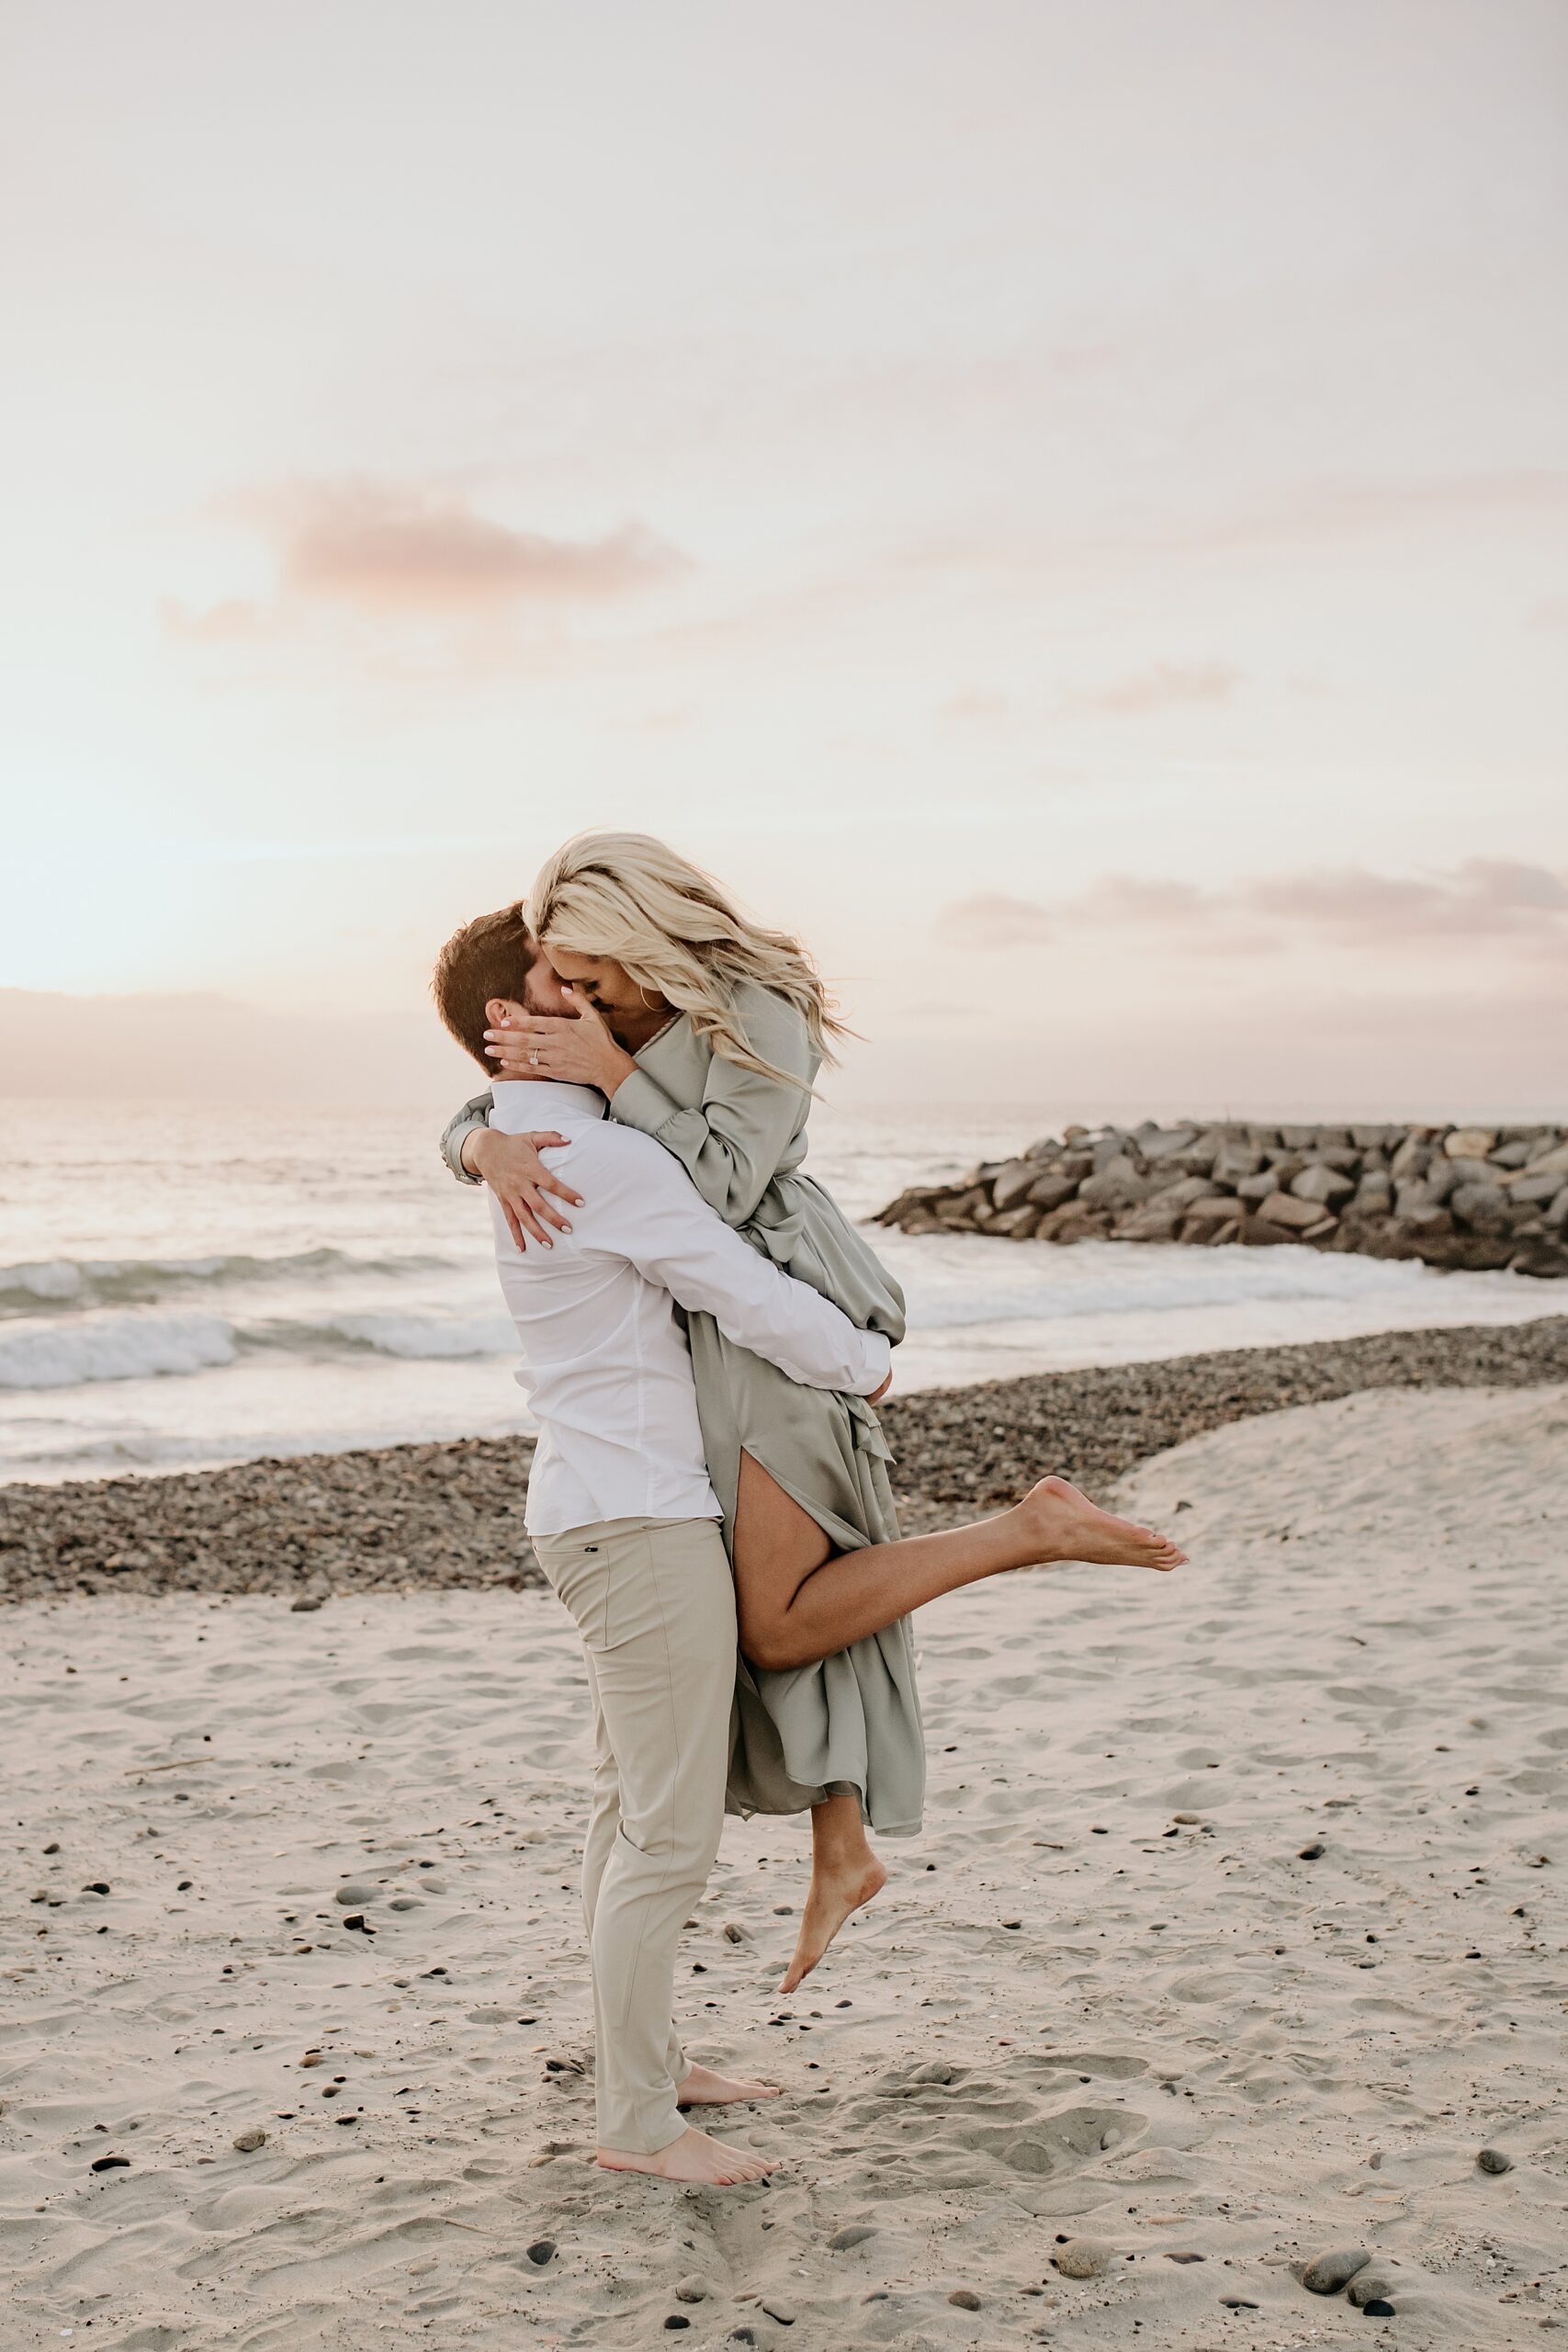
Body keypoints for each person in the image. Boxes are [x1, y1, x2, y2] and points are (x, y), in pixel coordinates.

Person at [439, 836, 1186, 1994]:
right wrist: (479, 1140)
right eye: (569, 982)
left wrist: (608, 1068)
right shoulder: (617, 1020)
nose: (585, 1002)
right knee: (773, 1602)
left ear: (640, 931)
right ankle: (841, 1844)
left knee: (779, 1618)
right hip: (707, 1327)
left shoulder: (759, 1002)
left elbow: (727, 1185)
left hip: (770, 1305)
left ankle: (1027, 1533)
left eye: (593, 976)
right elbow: (510, 1103)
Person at [431, 906, 897, 2188]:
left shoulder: (545, 1137)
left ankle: (646, 2061)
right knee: (666, 1838)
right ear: (510, 1025)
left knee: (623, 1809)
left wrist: (474, 1135)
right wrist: (863, 1363)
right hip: (635, 1522)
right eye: (558, 978)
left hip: (596, 1507)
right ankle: (637, 2122)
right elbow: (731, 1283)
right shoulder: (597, 1159)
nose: (592, 989)